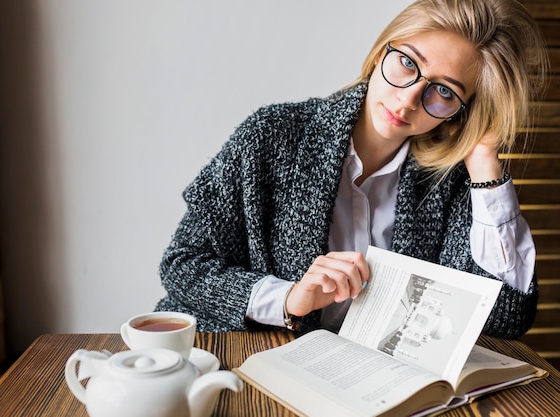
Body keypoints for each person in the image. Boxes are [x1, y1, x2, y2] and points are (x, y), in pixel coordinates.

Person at [154, 0, 549, 339]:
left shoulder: (453, 182)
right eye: (408, 63)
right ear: (381, 53)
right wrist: (288, 298)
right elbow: (183, 264)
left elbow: (505, 318)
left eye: (444, 91)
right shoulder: (272, 136)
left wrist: (484, 163)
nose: (409, 99)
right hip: (247, 361)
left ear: (460, 113)